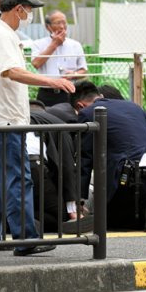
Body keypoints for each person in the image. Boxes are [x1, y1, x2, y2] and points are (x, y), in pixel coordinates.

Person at [0, 0, 74, 256]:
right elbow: (12, 71)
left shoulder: (0, 33)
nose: (30, 14)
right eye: (29, 9)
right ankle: (26, 238)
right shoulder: (3, 35)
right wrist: (50, 80)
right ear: (18, 8)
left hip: (0, 119)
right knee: (19, 180)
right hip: (8, 121)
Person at [72, 81, 146, 232]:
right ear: (100, 95)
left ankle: (143, 215)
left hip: (128, 180)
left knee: (108, 221)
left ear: (80, 106)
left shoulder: (88, 113)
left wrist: (79, 200)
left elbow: (84, 158)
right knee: (131, 206)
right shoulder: (132, 107)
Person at [28, 100, 93, 233]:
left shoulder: (13, 117)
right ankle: (18, 221)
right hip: (30, 163)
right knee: (61, 216)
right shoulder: (58, 125)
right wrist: (71, 208)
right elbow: (67, 167)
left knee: (15, 198)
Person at [31, 10, 87, 106]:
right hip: (46, 92)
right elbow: (36, 63)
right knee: (45, 119)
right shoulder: (38, 44)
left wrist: (74, 74)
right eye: (58, 23)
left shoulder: (75, 45)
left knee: (70, 119)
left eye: (64, 23)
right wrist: (54, 44)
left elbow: (84, 71)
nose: (62, 26)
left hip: (69, 92)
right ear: (48, 26)